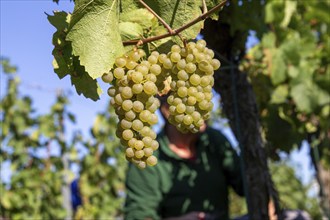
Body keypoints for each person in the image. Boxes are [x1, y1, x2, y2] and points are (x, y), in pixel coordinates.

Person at [124, 96, 244, 220]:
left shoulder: (214, 140)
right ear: (168, 111)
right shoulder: (148, 157)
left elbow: (247, 183)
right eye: (193, 101)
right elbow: (138, 216)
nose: (205, 107)